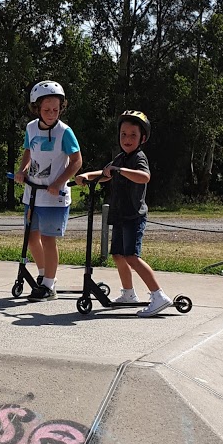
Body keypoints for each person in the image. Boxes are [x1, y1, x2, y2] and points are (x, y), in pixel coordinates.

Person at [77, 110, 173, 318]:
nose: (127, 139)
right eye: (123, 134)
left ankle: (158, 295)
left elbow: (144, 177)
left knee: (131, 256)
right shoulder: (120, 158)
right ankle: (128, 293)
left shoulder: (139, 158)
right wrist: (86, 176)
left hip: (133, 215)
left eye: (132, 135)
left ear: (142, 138)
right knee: (118, 256)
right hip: (119, 215)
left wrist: (121, 171)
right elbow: (105, 175)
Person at [14, 80, 82, 301]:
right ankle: (43, 277)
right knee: (31, 238)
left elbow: (76, 161)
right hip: (33, 194)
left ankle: (50, 285)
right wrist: (21, 171)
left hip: (54, 197)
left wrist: (59, 183)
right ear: (36, 108)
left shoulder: (65, 132)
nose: (52, 113)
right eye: (46, 110)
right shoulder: (31, 127)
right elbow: (28, 151)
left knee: (48, 239)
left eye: (56, 109)